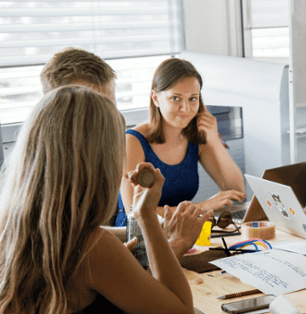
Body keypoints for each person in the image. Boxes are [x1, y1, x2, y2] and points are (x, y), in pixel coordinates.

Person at [0, 85, 206, 313]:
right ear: (100, 162)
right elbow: (181, 311)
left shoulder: (14, 229)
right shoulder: (92, 248)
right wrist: (158, 226)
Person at [40, 47, 208, 259]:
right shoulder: (49, 175)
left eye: (111, 106)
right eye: (95, 109)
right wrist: (178, 242)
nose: (110, 119)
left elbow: (88, 237)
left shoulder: (91, 156)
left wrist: (154, 229)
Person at [117, 58, 246, 227]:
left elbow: (237, 193)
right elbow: (135, 212)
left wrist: (214, 141)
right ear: (155, 98)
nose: (186, 108)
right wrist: (202, 206)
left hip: (178, 232)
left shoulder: (196, 137)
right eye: (176, 98)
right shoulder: (132, 141)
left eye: (193, 98)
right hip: (137, 237)